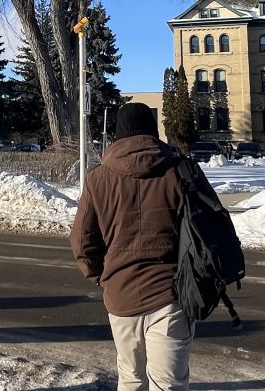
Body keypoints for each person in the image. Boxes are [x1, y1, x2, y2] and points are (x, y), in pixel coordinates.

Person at [70, 102, 210, 390]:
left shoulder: (97, 179)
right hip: (172, 294)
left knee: (131, 379)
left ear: (117, 135)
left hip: (120, 294)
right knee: (168, 383)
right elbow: (211, 230)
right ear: (153, 131)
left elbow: (82, 241)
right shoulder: (182, 171)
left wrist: (102, 277)